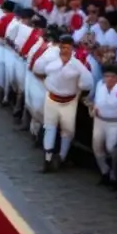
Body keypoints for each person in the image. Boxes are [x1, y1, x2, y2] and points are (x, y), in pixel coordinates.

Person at [35, 35, 92, 172]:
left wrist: (78, 91)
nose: (64, 50)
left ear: (72, 48)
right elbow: (38, 68)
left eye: (67, 47)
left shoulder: (77, 65)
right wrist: (46, 81)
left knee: (67, 131)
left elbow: (87, 83)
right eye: (62, 46)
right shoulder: (51, 58)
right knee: (49, 128)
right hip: (52, 98)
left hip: (69, 101)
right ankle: (47, 159)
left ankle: (61, 158)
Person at [90, 64, 117, 187]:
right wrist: (94, 108)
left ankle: (113, 176)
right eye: (107, 76)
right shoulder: (100, 87)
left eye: (112, 76)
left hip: (114, 122)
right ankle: (104, 172)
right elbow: (96, 102)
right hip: (100, 120)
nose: (109, 79)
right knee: (97, 147)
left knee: (112, 148)